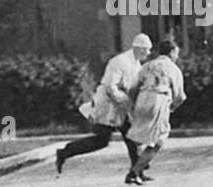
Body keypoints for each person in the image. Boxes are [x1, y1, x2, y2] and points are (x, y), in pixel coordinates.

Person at [55, 33, 149, 175]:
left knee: (131, 136)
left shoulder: (136, 64)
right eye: (146, 50)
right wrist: (124, 101)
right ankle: (64, 152)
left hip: (120, 107)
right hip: (107, 106)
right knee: (101, 140)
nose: (148, 53)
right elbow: (110, 87)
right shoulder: (120, 62)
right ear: (139, 48)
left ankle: (137, 172)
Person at [126, 40, 186, 185]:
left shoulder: (147, 66)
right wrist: (172, 108)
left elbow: (132, 88)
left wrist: (134, 104)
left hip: (142, 99)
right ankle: (134, 171)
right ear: (171, 52)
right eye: (176, 52)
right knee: (159, 138)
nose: (177, 56)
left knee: (141, 134)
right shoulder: (173, 68)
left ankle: (139, 166)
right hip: (158, 99)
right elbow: (179, 96)